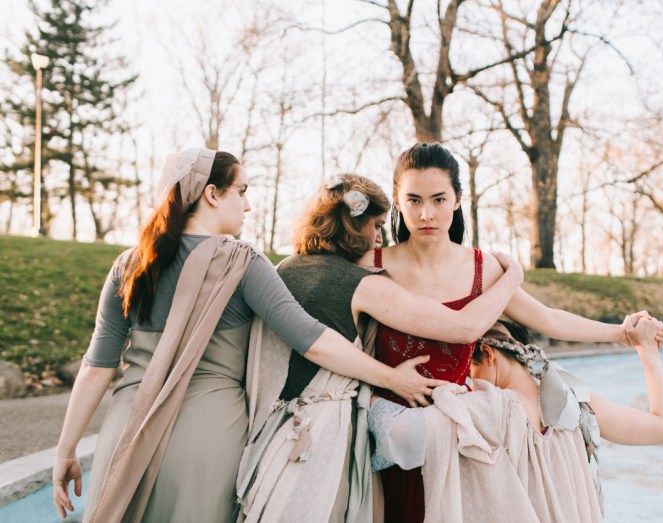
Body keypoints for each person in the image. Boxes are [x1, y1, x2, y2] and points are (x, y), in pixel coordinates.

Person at [51, 150, 441, 522]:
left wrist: (66, 449)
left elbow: (96, 367)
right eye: (242, 191)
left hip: (125, 431)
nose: (248, 205)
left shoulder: (130, 264)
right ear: (212, 194)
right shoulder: (243, 263)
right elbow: (313, 339)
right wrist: (391, 377)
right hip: (207, 436)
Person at [358, 142, 663, 521]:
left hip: (459, 437)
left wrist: (621, 334)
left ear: (458, 199)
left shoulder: (482, 268)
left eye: (439, 200)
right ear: (396, 200)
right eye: (414, 200)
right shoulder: (368, 265)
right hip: (381, 429)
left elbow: (548, 318)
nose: (427, 214)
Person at [235, 174, 525, 522]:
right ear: (350, 226)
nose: (377, 237)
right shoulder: (360, 283)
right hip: (325, 432)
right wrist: (513, 277)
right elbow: (464, 328)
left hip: (272, 428)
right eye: (374, 226)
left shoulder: (285, 269)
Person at [368, 315, 663, 522]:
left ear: (488, 354)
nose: (469, 383)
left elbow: (394, 434)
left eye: (470, 372)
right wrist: (646, 349)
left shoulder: (484, 409)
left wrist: (376, 385)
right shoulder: (577, 401)